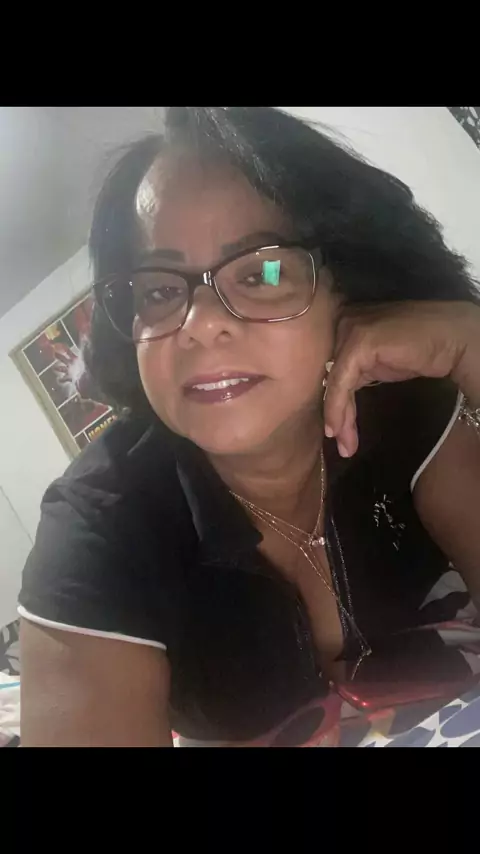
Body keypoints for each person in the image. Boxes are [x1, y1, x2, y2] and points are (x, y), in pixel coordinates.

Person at [19, 107, 480, 747]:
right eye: (159, 290)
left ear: (344, 293)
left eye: (263, 271)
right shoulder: (100, 523)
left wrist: (471, 348)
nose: (201, 323)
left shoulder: (402, 407)